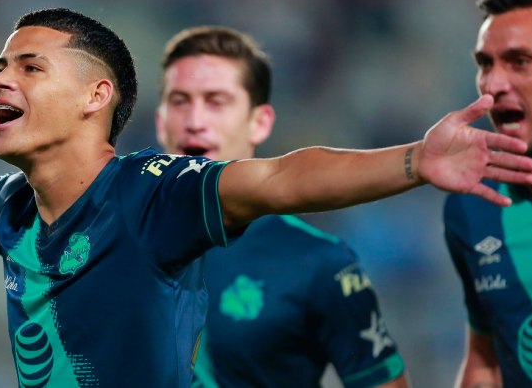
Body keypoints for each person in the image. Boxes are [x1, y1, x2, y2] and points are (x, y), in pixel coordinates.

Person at [0, 8, 532, 388]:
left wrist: (414, 160)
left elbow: (278, 178)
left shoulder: (149, 194)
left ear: (95, 96)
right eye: (0, 66)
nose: (0, 79)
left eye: (30, 66)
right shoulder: (10, 207)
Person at [155, 26, 409, 388]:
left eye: (216, 102)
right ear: (161, 121)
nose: (195, 122)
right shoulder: (108, 237)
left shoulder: (317, 262)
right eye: (180, 101)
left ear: (259, 123)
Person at [444, 0, 532, 386]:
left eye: (519, 62)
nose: (493, 84)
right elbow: (486, 358)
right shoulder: (473, 206)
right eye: (486, 64)